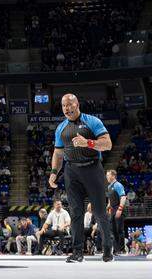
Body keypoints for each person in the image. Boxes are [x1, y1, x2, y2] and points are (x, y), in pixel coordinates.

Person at [47, 93, 114, 262]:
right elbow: (58, 153)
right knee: (75, 212)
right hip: (71, 171)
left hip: (92, 169)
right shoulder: (61, 128)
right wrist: (54, 172)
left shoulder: (92, 121)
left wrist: (88, 143)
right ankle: (77, 253)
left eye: (70, 105)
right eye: (64, 106)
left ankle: (107, 250)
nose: (67, 108)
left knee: (99, 212)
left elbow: (108, 144)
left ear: (77, 104)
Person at [106, 169, 127, 253]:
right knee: (113, 231)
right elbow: (110, 199)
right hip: (112, 210)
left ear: (113, 176)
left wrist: (120, 209)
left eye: (108, 175)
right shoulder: (109, 187)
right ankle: (116, 249)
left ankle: (122, 250)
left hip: (118, 209)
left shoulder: (118, 185)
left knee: (119, 230)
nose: (106, 177)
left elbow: (123, 197)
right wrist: (108, 207)